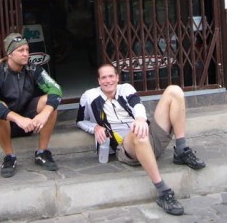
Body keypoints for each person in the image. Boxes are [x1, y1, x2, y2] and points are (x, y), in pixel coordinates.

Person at [76, 63, 205, 216]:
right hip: (126, 147)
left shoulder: (126, 89)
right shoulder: (89, 96)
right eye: (103, 77)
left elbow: (137, 104)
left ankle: (182, 150)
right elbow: (80, 120)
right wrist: (95, 127)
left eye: (111, 76)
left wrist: (140, 119)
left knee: (174, 91)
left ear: (117, 77)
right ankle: (163, 191)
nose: (108, 80)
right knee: (138, 133)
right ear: (98, 81)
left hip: (147, 133)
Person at [0, 33, 63, 178]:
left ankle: (42, 153)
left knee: (48, 102)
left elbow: (56, 89)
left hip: (29, 122)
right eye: (21, 51)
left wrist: (45, 113)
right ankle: (9, 157)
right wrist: (18, 119)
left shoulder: (33, 69)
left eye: (27, 50)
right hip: (5, 124)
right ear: (10, 54)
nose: (26, 54)